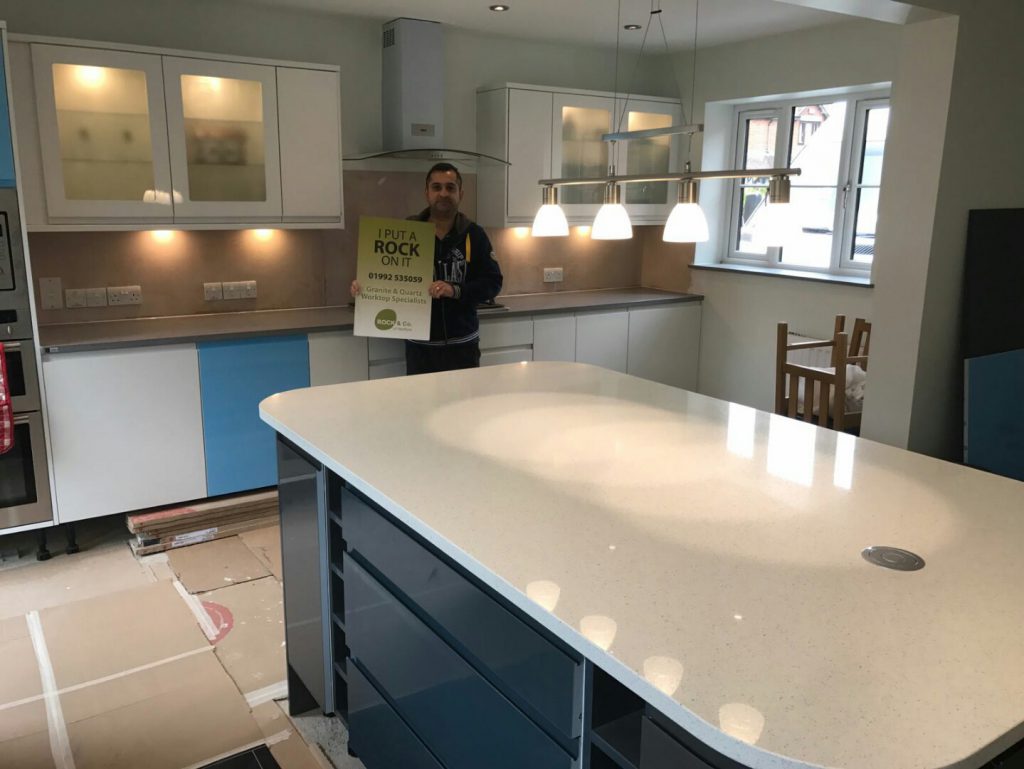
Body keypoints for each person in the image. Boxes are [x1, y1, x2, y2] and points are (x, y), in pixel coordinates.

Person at [351, 162, 503, 375]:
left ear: (461, 193)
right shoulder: (407, 232)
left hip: (462, 347)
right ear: (427, 193)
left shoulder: (474, 234)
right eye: (436, 187)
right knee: (421, 407)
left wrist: (455, 289)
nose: (443, 193)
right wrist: (366, 287)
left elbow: (493, 283)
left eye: (450, 187)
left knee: (464, 407)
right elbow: (390, 279)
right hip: (420, 349)